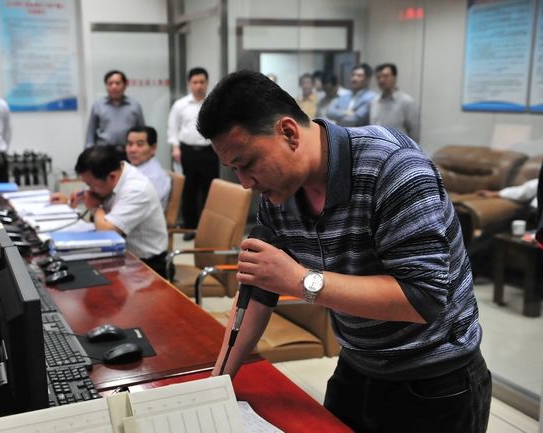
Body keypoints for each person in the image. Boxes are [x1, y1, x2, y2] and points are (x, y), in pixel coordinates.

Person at [196, 70, 491, 433]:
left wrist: (300, 280)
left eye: (248, 164)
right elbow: (259, 290)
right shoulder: (278, 191)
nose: (245, 183)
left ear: (288, 133)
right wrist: (216, 385)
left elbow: (424, 298)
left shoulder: (394, 166)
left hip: (434, 378)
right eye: (234, 170)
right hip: (357, 364)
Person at [50, 146, 169, 277]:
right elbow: (97, 192)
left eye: (92, 185)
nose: (90, 189)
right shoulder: (113, 175)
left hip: (146, 266)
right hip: (119, 257)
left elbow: (107, 232)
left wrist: (96, 207)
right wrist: (70, 199)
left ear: (112, 177)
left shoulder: (137, 190)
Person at [167, 67, 218, 240]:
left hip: (209, 152)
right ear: (189, 83)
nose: (198, 86)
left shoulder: (214, 103)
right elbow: (172, 128)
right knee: (188, 191)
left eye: (202, 82)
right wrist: (175, 148)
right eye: (195, 82)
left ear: (207, 83)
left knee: (210, 192)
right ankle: (189, 228)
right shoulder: (180, 105)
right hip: (187, 152)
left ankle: (207, 230)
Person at [467, 179, 539, 279]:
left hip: (538, 222)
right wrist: (496, 194)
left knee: (496, 240)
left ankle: (468, 273)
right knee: (489, 232)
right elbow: (525, 191)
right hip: (528, 213)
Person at [85, 70, 145, 161]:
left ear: (125, 85)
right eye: (110, 84)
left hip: (128, 152)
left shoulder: (134, 105)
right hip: (103, 152)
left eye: (117, 83)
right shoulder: (98, 105)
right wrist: (89, 153)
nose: (114, 87)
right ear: (106, 86)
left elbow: (142, 131)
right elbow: (91, 133)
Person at [370, 63, 420, 142]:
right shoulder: (374, 102)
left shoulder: (407, 102)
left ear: (395, 78)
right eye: (378, 77)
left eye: (385, 76)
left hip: (399, 148)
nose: (381, 80)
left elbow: (415, 133)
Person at [125, 125, 171, 210]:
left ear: (153, 148)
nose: (133, 149)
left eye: (140, 144)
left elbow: (140, 210)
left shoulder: (155, 177)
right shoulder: (129, 167)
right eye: (130, 144)